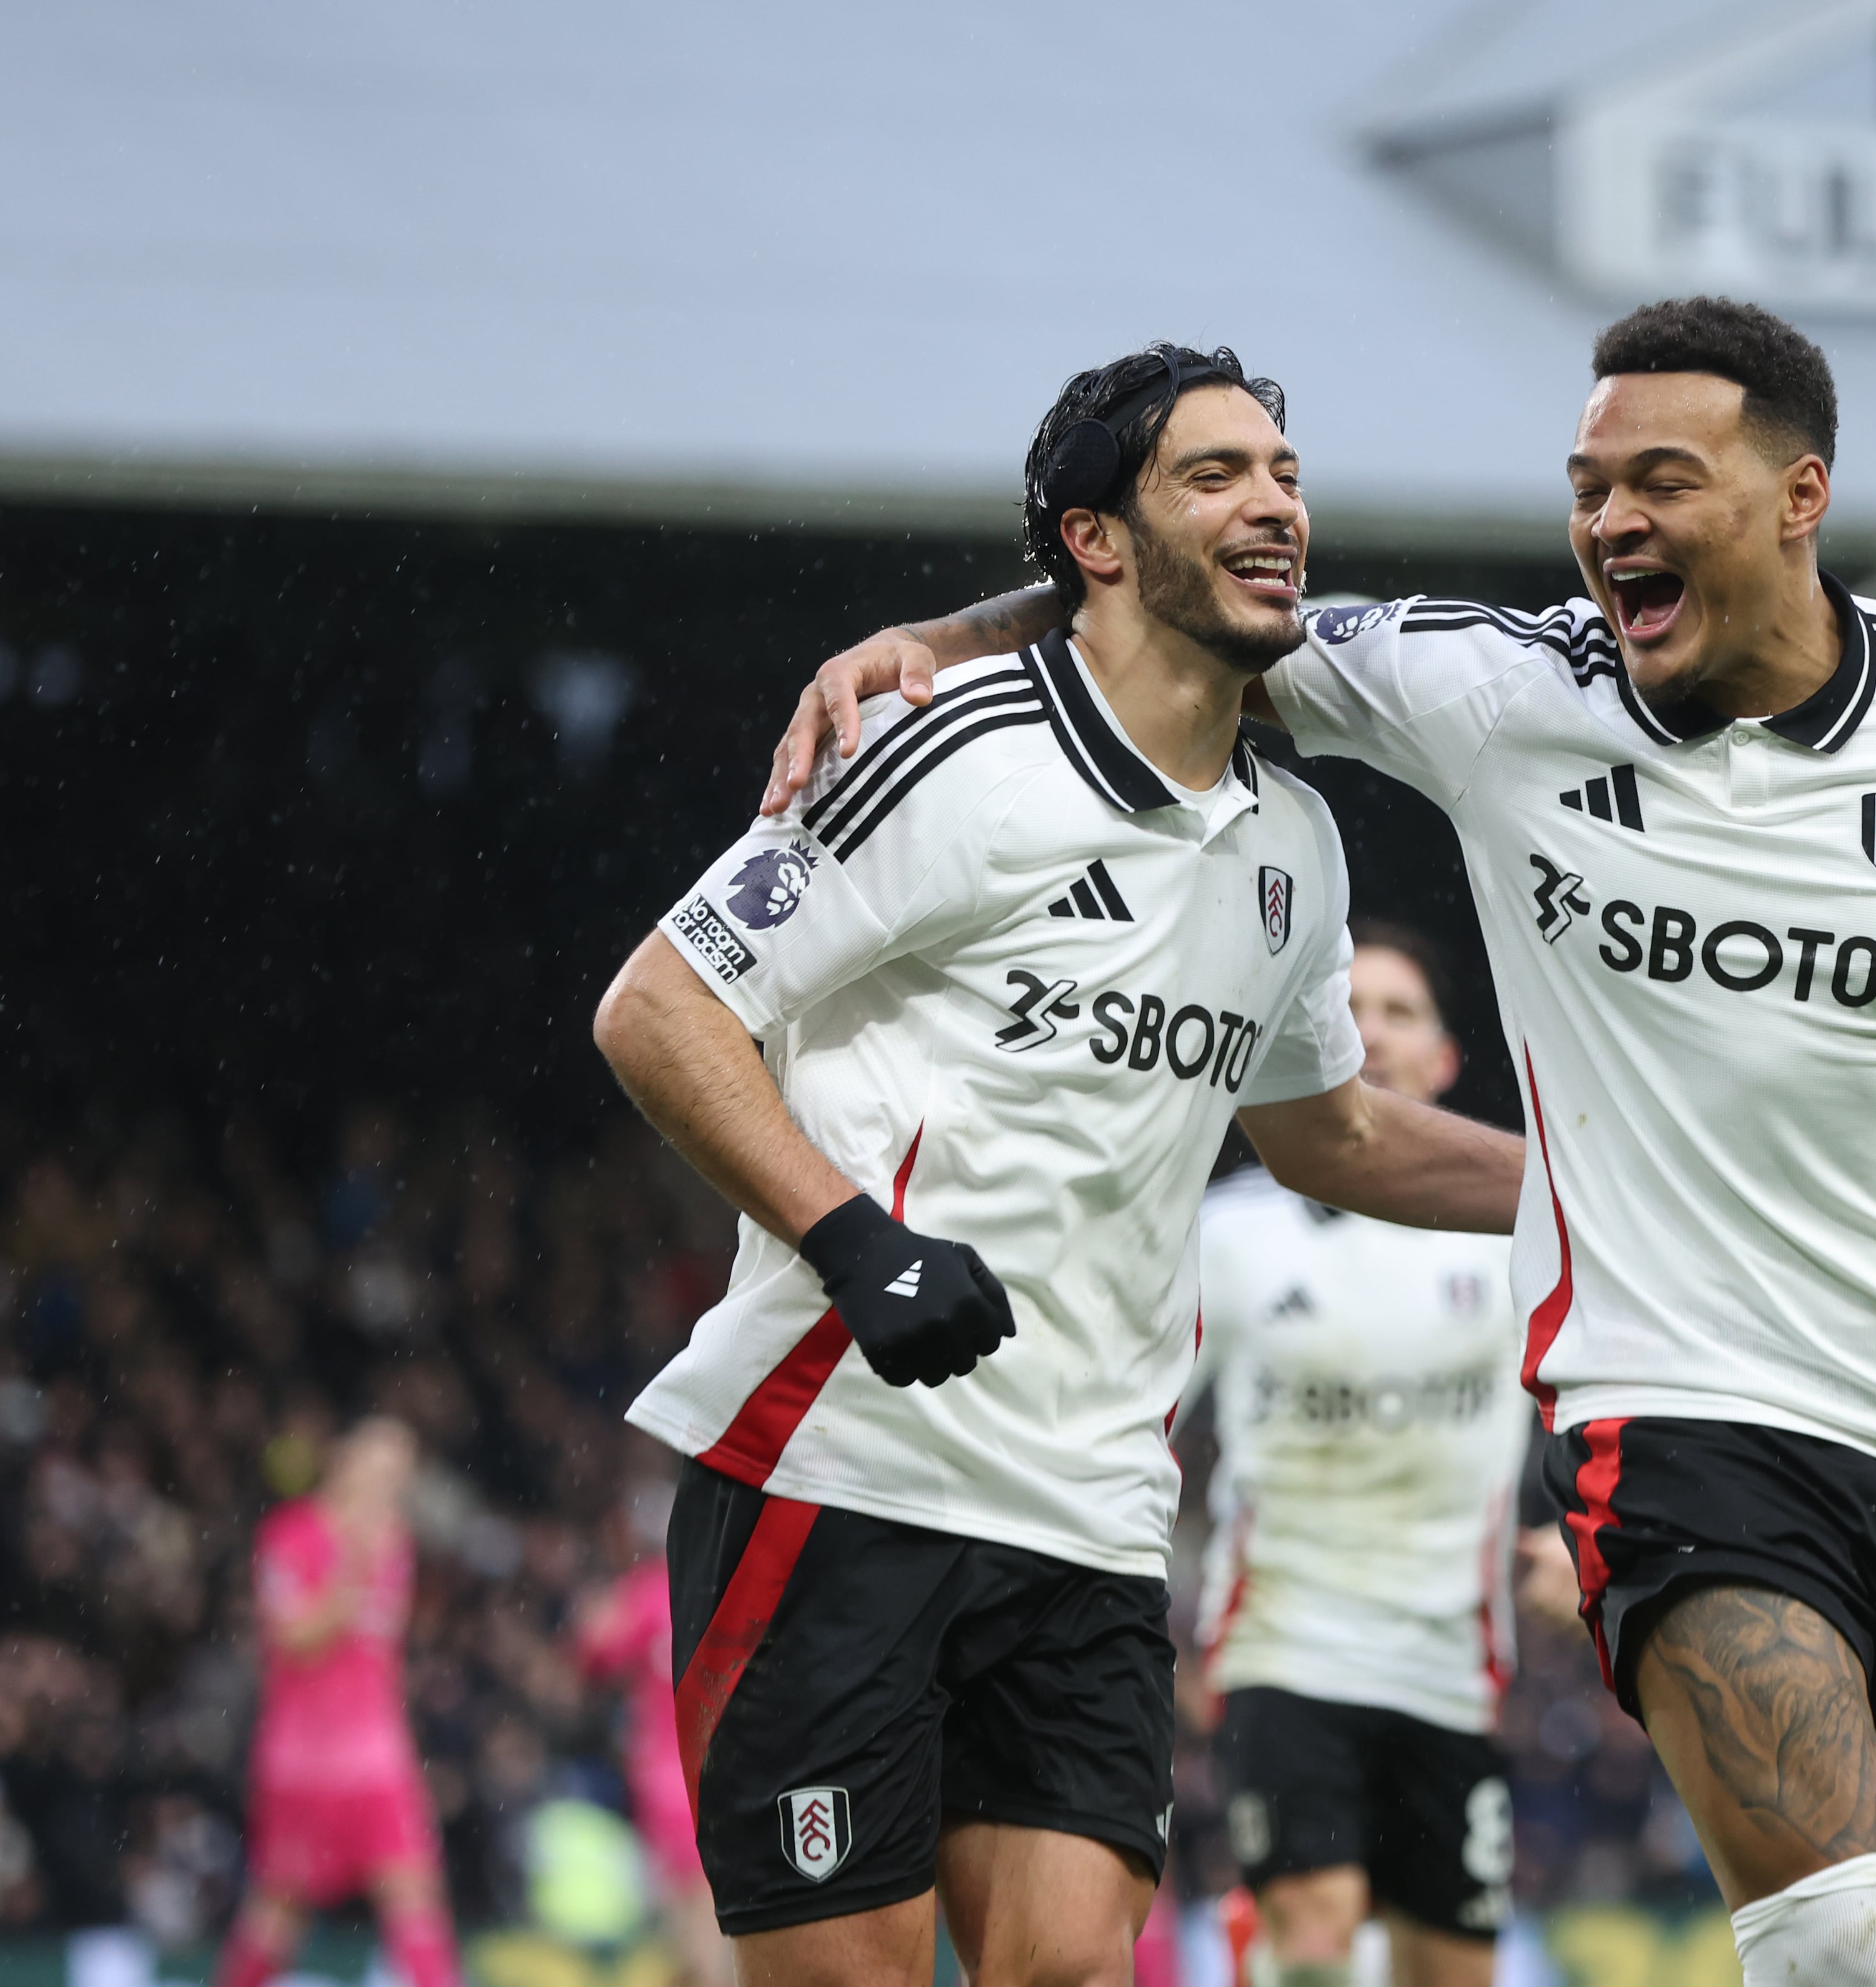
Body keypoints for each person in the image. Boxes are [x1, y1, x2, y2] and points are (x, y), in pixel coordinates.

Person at [764, 297, 1876, 1987]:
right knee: (1840, 1942)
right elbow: (1179, 612)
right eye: (1588, 485)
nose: (1612, 522)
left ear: (1799, 496)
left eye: (1662, 479)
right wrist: (934, 637)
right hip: (1681, 1418)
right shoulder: (1497, 687)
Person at [590, 343, 1525, 1987]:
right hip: (840, 1468)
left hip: (1091, 1517)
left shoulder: (1292, 843)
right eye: (1215, 475)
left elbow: (1333, 1131)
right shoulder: (945, 750)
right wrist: (851, 1239)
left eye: (1284, 473)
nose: (1274, 504)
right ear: (1097, 541)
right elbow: (659, 1007)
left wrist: (1615, 1185)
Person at [1191, 923, 1540, 1987]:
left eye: (1400, 1012)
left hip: (1450, 1660)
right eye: (1350, 1009)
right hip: (1285, 1644)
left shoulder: (1520, 1230)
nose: (1371, 1031)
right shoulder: (1229, 1232)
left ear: (1445, 1062)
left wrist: (1581, 1539)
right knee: (1314, 1930)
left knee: (1449, 1969)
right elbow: (1135, 1409)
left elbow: (1595, 1394)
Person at [217, 1418, 461, 1987]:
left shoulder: (396, 1541)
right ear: (344, 1464)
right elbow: (296, 1639)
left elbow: (380, 1656)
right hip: (301, 1757)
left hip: (375, 1755)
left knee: (414, 1895)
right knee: (279, 1908)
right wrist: (351, 1563)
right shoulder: (290, 1534)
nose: (388, 1485)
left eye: (398, 1474)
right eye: (378, 1469)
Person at [572, 1478, 731, 1987]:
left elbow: (593, 1653)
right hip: (721, 1770)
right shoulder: (719, 1583)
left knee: (690, 1916)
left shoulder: (646, 1590)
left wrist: (592, 1609)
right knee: (711, 1915)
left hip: (666, 1774)